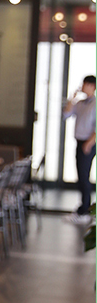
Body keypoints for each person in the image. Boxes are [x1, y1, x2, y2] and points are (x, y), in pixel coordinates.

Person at [63, 75, 96, 225]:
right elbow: (66, 114)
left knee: (84, 176)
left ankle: (85, 211)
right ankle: (83, 208)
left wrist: (89, 143)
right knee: (81, 176)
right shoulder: (81, 103)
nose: (83, 87)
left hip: (88, 143)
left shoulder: (95, 104)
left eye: (86, 84)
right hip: (79, 141)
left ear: (92, 86)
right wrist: (72, 98)